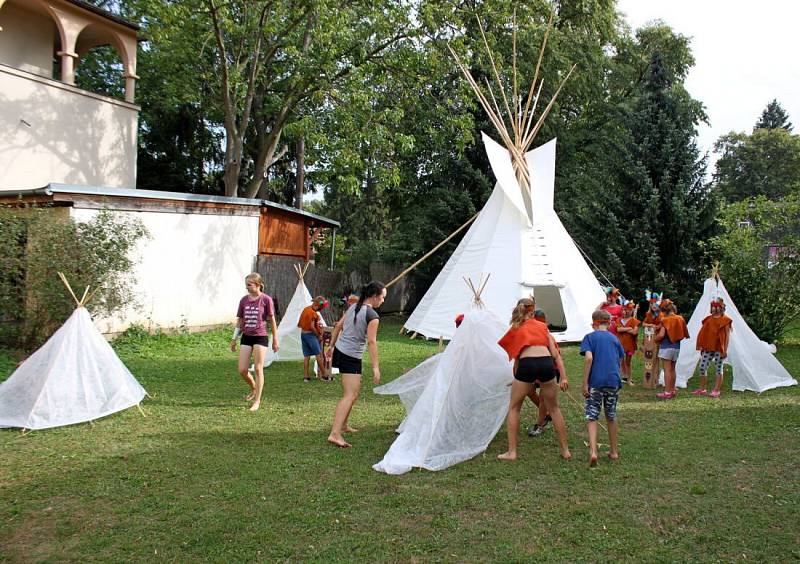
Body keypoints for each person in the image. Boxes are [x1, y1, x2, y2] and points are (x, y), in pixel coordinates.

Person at [497, 298, 571, 461]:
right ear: (533, 310)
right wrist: (563, 377)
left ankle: (512, 452)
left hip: (527, 363)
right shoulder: (543, 327)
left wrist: (517, 377)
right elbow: (555, 354)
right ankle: (565, 451)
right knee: (554, 409)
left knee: (514, 408)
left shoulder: (516, 327)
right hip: (546, 363)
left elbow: (517, 358)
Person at [326, 281, 387, 447]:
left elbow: (338, 326)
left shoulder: (354, 306)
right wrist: (375, 368)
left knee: (353, 392)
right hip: (350, 355)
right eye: (382, 297)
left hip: (341, 350)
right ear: (374, 296)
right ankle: (335, 433)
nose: (383, 300)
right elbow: (372, 343)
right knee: (350, 395)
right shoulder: (372, 316)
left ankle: (343, 426)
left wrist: (331, 346)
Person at [581, 309, 625, 467]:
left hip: (596, 382)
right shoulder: (614, 339)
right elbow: (620, 358)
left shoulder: (589, 338)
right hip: (613, 381)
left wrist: (585, 382)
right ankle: (613, 451)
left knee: (592, 416)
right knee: (611, 415)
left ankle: (593, 451)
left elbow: (588, 358)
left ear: (595, 322)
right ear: (609, 322)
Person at [230, 272, 279, 411]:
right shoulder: (243, 300)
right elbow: (240, 320)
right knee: (242, 369)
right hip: (246, 336)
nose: (247, 287)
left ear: (258, 285)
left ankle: (257, 401)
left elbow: (272, 320)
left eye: (249, 285)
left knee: (258, 368)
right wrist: (234, 339)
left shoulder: (266, 299)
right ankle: (254, 388)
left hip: (260, 337)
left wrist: (275, 339)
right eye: (246, 285)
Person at [692, 298, 733, 398]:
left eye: (717, 306)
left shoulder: (726, 320)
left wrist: (725, 349)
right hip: (708, 348)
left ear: (721, 308)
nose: (715, 308)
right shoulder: (708, 319)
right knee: (702, 366)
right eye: (713, 307)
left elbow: (727, 336)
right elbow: (705, 334)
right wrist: (703, 347)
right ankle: (702, 389)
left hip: (719, 348)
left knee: (718, 369)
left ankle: (716, 390)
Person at [527, 309, 556, 437]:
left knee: (545, 398)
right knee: (529, 391)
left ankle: (540, 424)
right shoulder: (528, 331)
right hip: (534, 367)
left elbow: (555, 356)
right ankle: (547, 413)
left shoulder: (547, 335)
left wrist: (563, 376)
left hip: (548, 368)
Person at [655, 299, 689, 399]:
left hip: (666, 347)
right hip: (676, 347)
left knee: (667, 370)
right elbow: (683, 333)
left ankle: (667, 392)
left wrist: (654, 339)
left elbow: (661, 335)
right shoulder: (680, 318)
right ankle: (672, 390)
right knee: (673, 369)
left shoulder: (665, 320)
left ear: (664, 310)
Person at [298, 296, 330, 382]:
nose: (320, 310)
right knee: (318, 354)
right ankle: (325, 375)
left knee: (306, 356)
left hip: (303, 334)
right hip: (310, 335)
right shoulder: (312, 313)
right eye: (320, 308)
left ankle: (306, 377)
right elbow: (312, 327)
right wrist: (318, 335)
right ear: (316, 305)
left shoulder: (306, 309)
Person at [616, 301, 640, 385]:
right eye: (623, 310)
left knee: (628, 363)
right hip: (620, 345)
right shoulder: (618, 320)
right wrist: (629, 328)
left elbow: (635, 332)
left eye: (627, 310)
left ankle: (629, 380)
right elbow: (618, 329)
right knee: (618, 362)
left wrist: (624, 329)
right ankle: (617, 379)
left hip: (630, 345)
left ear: (631, 311)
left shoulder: (634, 321)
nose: (624, 312)